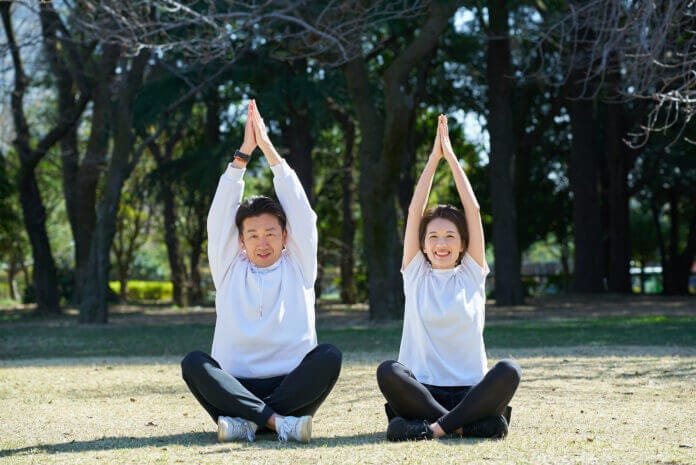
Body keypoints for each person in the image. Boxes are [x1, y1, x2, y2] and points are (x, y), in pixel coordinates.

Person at [181, 100, 342, 444]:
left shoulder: (299, 265)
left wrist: (269, 150)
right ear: (240, 240)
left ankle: (250, 424)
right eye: (253, 234)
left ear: (285, 235)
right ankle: (277, 423)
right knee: (194, 362)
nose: (262, 241)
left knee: (329, 356)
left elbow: (302, 212)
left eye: (271, 233)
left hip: (292, 386)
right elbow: (218, 216)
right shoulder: (228, 267)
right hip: (234, 387)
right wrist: (242, 155)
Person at [376, 115, 521, 441]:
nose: (441, 244)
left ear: (463, 244)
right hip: (423, 391)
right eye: (434, 237)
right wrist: (432, 159)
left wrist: (451, 158)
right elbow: (415, 212)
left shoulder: (471, 273)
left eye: (450, 237)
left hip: (472, 391)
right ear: (424, 245)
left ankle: (430, 429)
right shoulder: (415, 274)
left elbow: (473, 211)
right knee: (388, 370)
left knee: (509, 370)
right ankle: (460, 425)